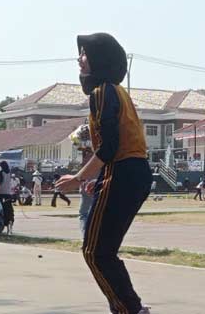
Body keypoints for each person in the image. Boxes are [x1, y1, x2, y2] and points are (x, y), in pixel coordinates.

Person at [56, 33, 152, 314]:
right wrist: (97, 178)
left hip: (124, 172)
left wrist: (78, 178)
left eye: (84, 54)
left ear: (100, 60)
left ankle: (130, 310)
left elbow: (110, 147)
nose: (79, 59)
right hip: (130, 172)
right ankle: (130, 308)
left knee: (96, 252)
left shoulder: (102, 93)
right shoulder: (116, 91)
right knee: (101, 251)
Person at [0, 161, 15, 233]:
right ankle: (10, 221)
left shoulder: (1, 172)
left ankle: (1, 222)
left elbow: (0, 182)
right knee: (9, 208)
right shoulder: (9, 172)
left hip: (1, 192)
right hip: (8, 192)